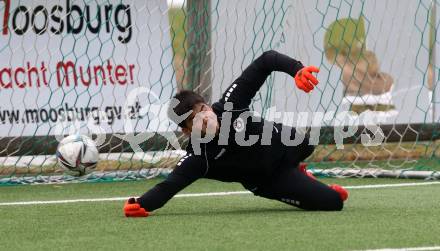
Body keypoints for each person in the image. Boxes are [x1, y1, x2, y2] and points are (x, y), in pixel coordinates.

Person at [124, 50, 348, 217]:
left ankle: (299, 169)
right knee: (334, 202)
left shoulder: (231, 104)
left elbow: (266, 60)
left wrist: (296, 69)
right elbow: (169, 186)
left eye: (203, 109)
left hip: (283, 144)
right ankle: (301, 178)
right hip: (270, 180)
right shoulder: (199, 158)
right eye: (194, 119)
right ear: (187, 130)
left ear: (208, 105)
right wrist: (140, 203)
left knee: (307, 142)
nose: (205, 117)